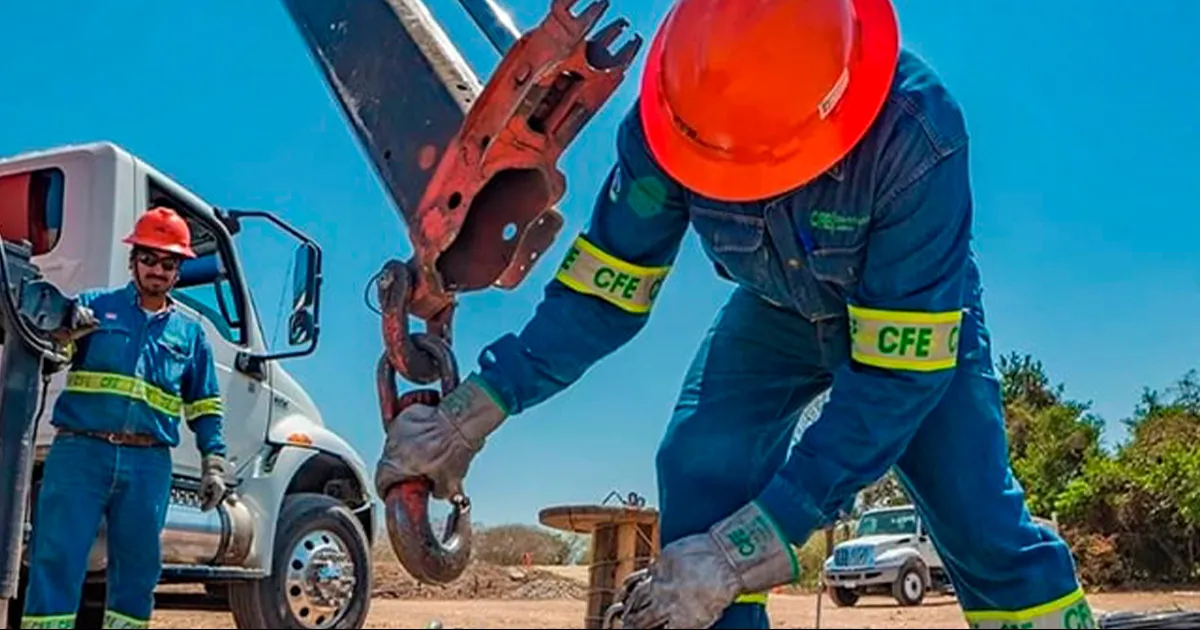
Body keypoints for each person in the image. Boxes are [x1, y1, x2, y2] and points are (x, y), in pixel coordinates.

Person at [374, 0, 1096, 628]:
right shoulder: (667, 126)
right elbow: (603, 295)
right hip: (776, 310)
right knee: (698, 462)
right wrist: (467, 415)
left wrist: (740, 552)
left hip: (904, 328)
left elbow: (891, 386)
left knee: (979, 523)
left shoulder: (919, 138)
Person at [20, 206, 228, 629]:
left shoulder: (191, 336)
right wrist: (61, 333)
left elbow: (205, 405)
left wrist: (214, 463)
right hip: (80, 453)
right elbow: (49, 354)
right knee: (57, 558)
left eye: (168, 262)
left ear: (178, 270)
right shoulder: (92, 309)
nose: (157, 269)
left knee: (137, 571)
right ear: (133, 261)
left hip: (147, 464)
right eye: (148, 258)